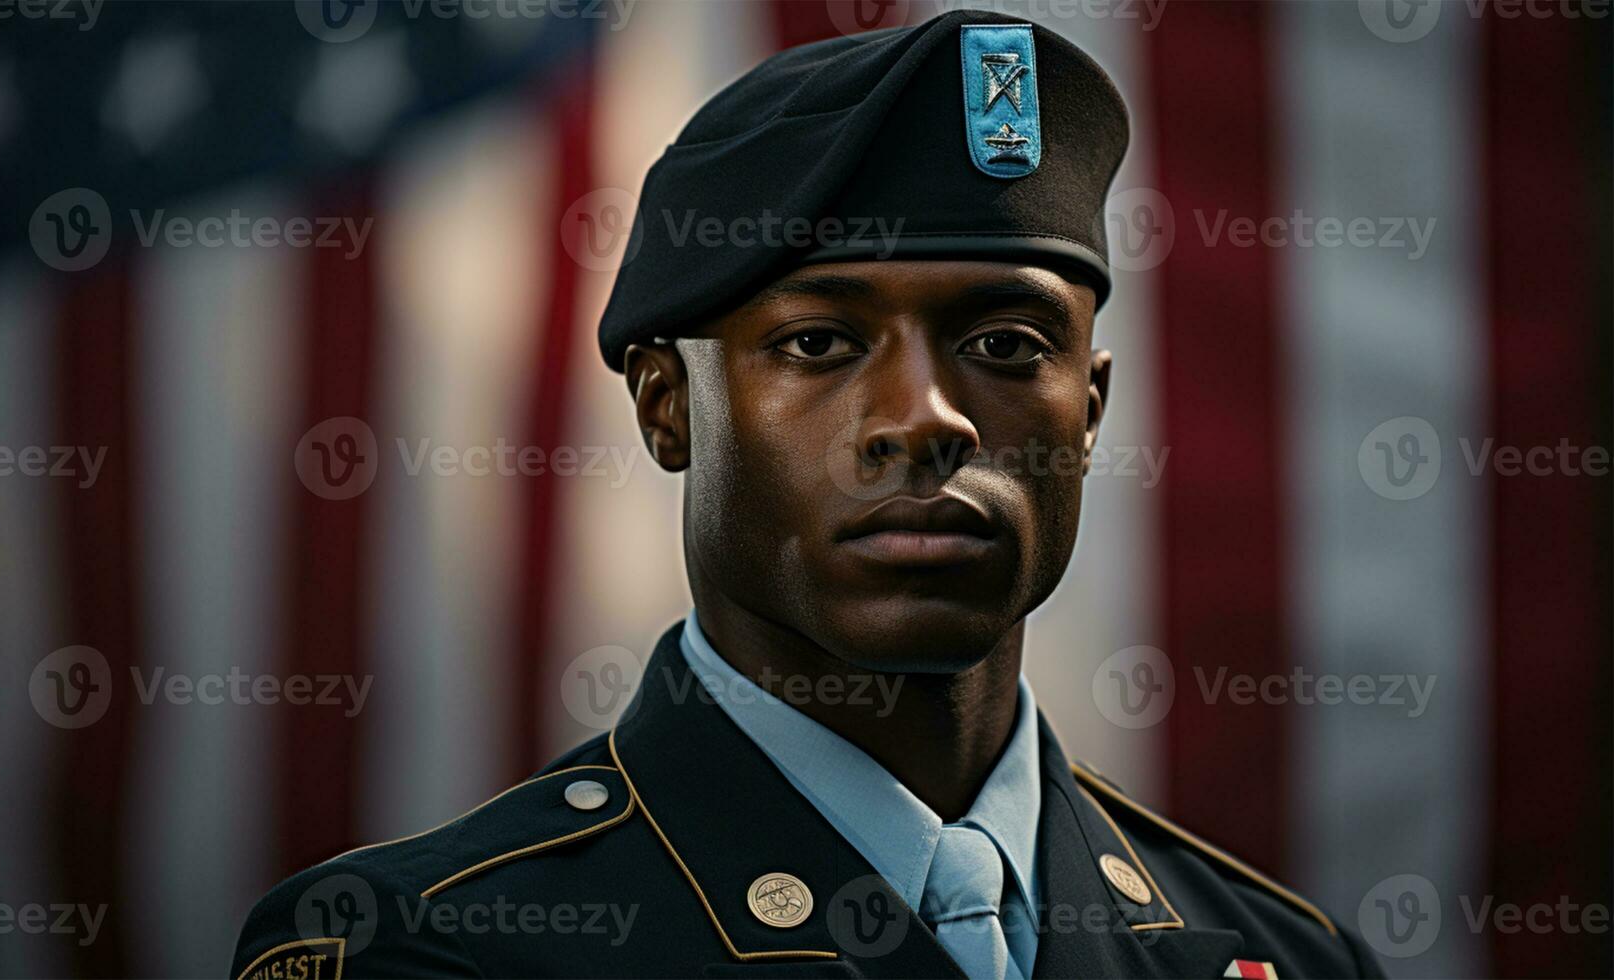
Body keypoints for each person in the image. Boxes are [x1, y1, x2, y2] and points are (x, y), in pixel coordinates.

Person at [233, 11, 1384, 978]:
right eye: (822, 341)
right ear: (665, 407)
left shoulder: (1284, 956)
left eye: (1004, 338)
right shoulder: (425, 949)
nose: (925, 416)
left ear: (1089, 405)